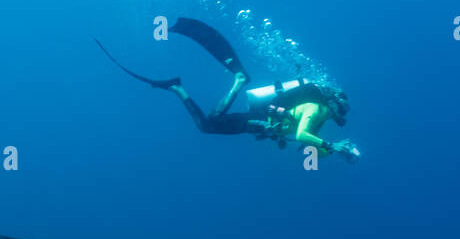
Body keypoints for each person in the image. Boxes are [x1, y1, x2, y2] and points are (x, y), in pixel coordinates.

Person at [96, 18, 361, 161]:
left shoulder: (319, 119)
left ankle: (178, 87)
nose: (341, 113)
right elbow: (302, 134)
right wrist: (332, 145)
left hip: (261, 125)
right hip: (261, 121)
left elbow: (309, 148)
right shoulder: (316, 109)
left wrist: (334, 150)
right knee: (209, 125)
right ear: (333, 102)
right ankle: (235, 80)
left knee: (208, 126)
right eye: (342, 107)